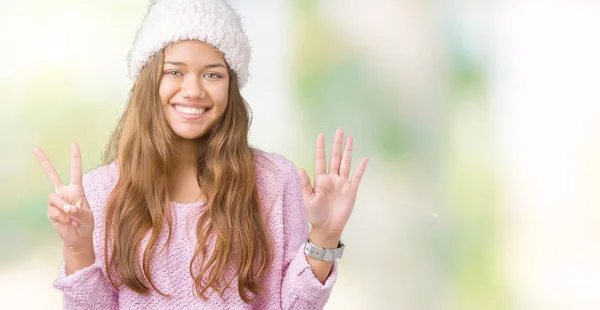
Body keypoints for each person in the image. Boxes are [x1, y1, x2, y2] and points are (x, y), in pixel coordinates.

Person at [33, 0, 368, 309]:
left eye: (212, 74)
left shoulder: (275, 181)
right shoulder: (100, 192)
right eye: (174, 71)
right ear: (149, 82)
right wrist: (77, 249)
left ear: (231, 86)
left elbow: (295, 306)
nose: (193, 90)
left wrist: (324, 234)